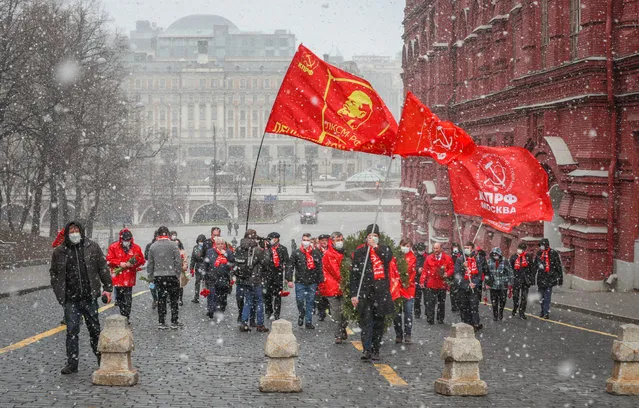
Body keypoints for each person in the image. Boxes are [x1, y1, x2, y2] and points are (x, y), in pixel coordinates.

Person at [50, 221, 113, 374]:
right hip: (71, 299)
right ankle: (72, 363)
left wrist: (108, 288)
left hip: (89, 297)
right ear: (66, 233)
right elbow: (54, 274)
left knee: (95, 330)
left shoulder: (92, 247)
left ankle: (101, 359)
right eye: (71, 230)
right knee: (72, 331)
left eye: (76, 230)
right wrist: (60, 294)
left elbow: (102, 268)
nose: (74, 233)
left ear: (81, 231)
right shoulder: (59, 251)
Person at [350, 224, 394, 361]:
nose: (373, 238)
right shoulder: (360, 252)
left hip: (380, 292)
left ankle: (376, 349)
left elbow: (387, 258)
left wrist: (376, 248)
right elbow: (354, 275)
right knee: (366, 322)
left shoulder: (385, 249)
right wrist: (353, 294)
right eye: (370, 236)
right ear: (366, 238)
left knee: (378, 323)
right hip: (365, 292)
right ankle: (366, 349)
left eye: (375, 236)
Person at [147, 226, 183, 330]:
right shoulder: (173, 245)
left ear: (158, 235)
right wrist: (177, 274)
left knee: (161, 299)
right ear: (168, 234)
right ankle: (174, 321)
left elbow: (150, 264)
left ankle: (161, 322)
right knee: (173, 299)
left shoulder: (153, 246)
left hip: (159, 277)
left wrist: (150, 277)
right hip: (172, 276)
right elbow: (178, 262)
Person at [105, 228, 145, 321]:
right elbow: (109, 260)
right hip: (118, 277)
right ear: (121, 239)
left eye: (128, 240)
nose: (126, 242)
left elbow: (141, 260)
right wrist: (120, 263)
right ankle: (123, 313)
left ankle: (126, 316)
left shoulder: (136, 248)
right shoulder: (114, 247)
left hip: (129, 277)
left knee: (128, 298)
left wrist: (133, 264)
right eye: (125, 240)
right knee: (119, 298)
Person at [286, 233, 323, 329]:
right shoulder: (296, 253)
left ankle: (308, 321)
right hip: (300, 282)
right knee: (300, 300)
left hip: (312, 282)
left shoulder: (315, 253)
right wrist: (289, 279)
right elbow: (290, 266)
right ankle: (301, 313)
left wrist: (320, 281)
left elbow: (319, 267)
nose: (305, 241)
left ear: (311, 241)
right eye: (304, 239)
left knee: (310, 302)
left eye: (307, 240)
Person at [318, 231, 347, 343]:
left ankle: (342, 328)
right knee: (336, 312)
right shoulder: (329, 254)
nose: (339, 242)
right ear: (332, 241)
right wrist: (345, 281)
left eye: (341, 240)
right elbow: (335, 271)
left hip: (343, 287)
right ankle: (338, 334)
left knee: (345, 312)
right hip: (332, 287)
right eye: (337, 240)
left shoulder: (344, 253)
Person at [237, 229, 269, 332]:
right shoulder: (257, 250)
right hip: (255, 279)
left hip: (243, 279)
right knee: (259, 301)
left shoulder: (239, 248)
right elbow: (266, 263)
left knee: (248, 301)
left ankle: (244, 323)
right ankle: (260, 324)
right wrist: (265, 249)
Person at [453, 242, 486, 332]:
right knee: (464, 306)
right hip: (463, 286)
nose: (466, 249)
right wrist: (463, 267)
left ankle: (475, 323)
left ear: (472, 248)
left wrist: (474, 283)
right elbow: (456, 273)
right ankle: (465, 323)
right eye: (465, 247)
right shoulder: (460, 259)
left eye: (468, 247)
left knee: (474, 306)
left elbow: (479, 274)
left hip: (473, 287)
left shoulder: (477, 259)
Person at [420, 242, 454, 325]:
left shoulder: (447, 258)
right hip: (431, 284)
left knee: (441, 302)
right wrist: (422, 281)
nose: (436, 250)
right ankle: (430, 318)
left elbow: (451, 268)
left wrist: (447, 274)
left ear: (441, 249)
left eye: (437, 248)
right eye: (434, 248)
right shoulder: (429, 258)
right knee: (430, 302)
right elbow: (424, 270)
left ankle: (440, 318)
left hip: (442, 284)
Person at [393, 238, 417, 343]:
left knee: (408, 313)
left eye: (408, 246)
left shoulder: (412, 258)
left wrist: (406, 282)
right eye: (404, 245)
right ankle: (398, 334)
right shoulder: (395, 257)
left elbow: (411, 272)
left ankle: (408, 335)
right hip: (397, 289)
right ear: (400, 245)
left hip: (408, 289)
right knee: (397, 314)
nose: (406, 248)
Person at [204, 237, 235, 317]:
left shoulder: (228, 251)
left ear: (224, 244)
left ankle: (221, 308)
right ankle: (211, 309)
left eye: (222, 244)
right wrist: (205, 274)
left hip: (224, 277)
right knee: (212, 295)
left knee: (223, 295)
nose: (220, 245)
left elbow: (233, 263)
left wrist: (226, 257)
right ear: (215, 244)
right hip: (212, 277)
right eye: (218, 244)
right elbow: (206, 264)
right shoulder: (210, 251)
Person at [534, 238, 563, 319]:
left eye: (542, 245)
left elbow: (558, 267)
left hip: (549, 279)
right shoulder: (539, 253)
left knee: (547, 297)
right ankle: (542, 310)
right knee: (541, 297)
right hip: (541, 278)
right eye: (540, 246)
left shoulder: (553, 253)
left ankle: (546, 312)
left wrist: (560, 279)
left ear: (546, 245)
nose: (541, 247)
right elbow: (535, 265)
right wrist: (538, 266)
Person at [264, 232, 289, 321]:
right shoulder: (266, 249)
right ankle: (268, 311)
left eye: (271, 239)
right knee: (267, 294)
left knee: (278, 295)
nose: (270, 240)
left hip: (278, 275)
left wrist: (287, 277)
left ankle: (277, 313)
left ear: (276, 239)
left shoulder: (283, 249)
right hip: (267, 274)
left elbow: (287, 263)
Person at [485, 247, 514, 321]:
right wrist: (486, 283)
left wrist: (510, 284)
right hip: (493, 285)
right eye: (494, 254)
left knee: (502, 301)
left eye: (497, 254)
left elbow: (510, 272)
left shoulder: (505, 261)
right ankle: (495, 314)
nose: (495, 256)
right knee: (494, 301)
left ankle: (501, 312)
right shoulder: (489, 262)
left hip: (503, 285)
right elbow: (486, 273)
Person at [509, 243, 535, 319]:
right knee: (515, 296)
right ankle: (515, 307)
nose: (519, 250)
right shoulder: (514, 257)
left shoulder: (528, 257)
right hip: (516, 280)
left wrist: (531, 279)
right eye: (519, 248)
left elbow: (531, 269)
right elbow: (510, 269)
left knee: (524, 297)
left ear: (524, 250)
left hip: (525, 280)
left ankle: (521, 312)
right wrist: (510, 279)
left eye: (521, 249)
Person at [315, 233, 331, 321]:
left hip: (330, 276)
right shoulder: (316, 251)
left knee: (330, 295)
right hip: (319, 276)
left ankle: (330, 310)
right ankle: (321, 313)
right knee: (320, 296)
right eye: (322, 241)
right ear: (320, 242)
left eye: (326, 241)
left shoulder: (332, 250)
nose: (324, 242)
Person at [190, 234, 207, 303]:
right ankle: (196, 297)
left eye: (202, 241)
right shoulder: (195, 248)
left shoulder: (207, 248)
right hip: (198, 267)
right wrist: (191, 268)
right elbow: (193, 258)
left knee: (205, 282)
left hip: (206, 267)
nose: (200, 242)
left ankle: (207, 296)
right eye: (199, 241)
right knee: (197, 282)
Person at [144, 230, 159, 309]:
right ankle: (155, 299)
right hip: (152, 269)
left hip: (161, 269)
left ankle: (160, 299)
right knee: (152, 286)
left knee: (160, 286)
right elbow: (146, 256)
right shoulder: (149, 245)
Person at [412, 242, 427, 319]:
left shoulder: (427, 256)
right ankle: (417, 313)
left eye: (422, 249)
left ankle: (428, 312)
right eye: (420, 249)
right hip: (417, 279)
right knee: (417, 298)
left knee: (427, 298)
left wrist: (425, 270)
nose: (421, 251)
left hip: (426, 280)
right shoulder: (415, 257)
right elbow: (412, 267)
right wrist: (418, 269)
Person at [449, 243, 462, 312]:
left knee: (459, 292)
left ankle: (459, 306)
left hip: (459, 276)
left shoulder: (461, 255)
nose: (455, 248)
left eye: (456, 247)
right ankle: (454, 307)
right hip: (452, 277)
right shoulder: (451, 256)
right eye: (454, 247)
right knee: (452, 292)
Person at [176, 239, 189, 306]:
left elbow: (185, 260)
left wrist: (184, 266)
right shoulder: (171, 251)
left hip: (180, 271)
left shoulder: (183, 252)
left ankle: (180, 299)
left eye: (177, 244)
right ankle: (174, 298)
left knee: (180, 285)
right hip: (173, 271)